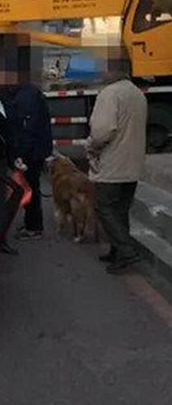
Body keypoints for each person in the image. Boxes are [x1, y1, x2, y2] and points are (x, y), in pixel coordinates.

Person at [0, 35, 53, 240]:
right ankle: (30, 224)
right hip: (31, 149)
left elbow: (27, 128)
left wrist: (21, 156)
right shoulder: (17, 92)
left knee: (30, 188)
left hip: (32, 151)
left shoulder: (25, 94)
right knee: (27, 188)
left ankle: (34, 226)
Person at [86, 50, 148, 274]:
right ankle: (117, 252)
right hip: (132, 163)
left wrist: (92, 145)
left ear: (112, 69)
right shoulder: (136, 93)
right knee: (121, 209)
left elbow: (102, 131)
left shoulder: (110, 94)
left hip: (113, 164)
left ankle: (126, 251)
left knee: (104, 207)